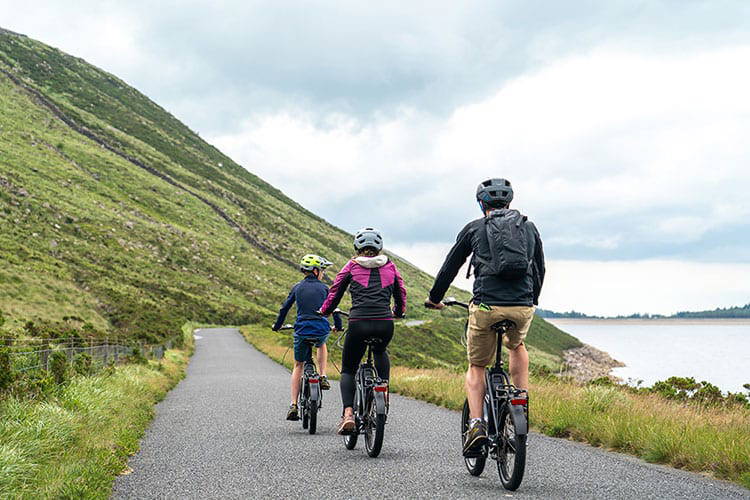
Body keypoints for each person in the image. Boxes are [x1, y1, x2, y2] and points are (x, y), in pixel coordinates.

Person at [425, 178, 545, 456]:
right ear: (510, 202)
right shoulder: (528, 227)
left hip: (486, 306)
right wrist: (531, 300)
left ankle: (477, 424)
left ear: (481, 203)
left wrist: (434, 298)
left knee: (477, 365)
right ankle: (520, 400)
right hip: (522, 306)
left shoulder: (474, 228)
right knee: (516, 346)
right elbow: (539, 268)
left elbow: (450, 267)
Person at [319, 227, 407, 435]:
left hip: (358, 322)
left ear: (357, 247)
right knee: (380, 351)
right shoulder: (391, 267)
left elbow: (335, 293)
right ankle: (383, 391)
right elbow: (401, 293)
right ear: (379, 248)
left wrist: (325, 311)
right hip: (385, 323)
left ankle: (348, 414)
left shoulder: (351, 266)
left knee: (349, 369)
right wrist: (399, 312)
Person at [273, 254, 342, 421]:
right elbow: (335, 309)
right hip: (320, 328)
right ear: (316, 271)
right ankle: (323, 375)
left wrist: (277, 326)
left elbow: (284, 309)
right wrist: (338, 326)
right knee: (321, 344)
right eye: (322, 270)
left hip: (302, 330)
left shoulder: (297, 287)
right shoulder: (325, 288)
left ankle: (294, 405)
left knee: (298, 365)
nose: (323, 273)